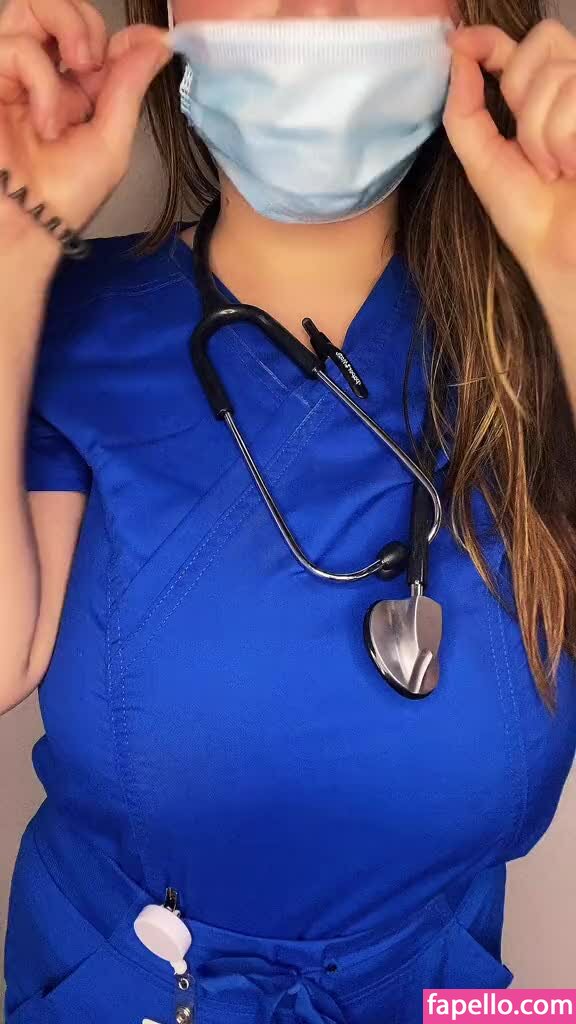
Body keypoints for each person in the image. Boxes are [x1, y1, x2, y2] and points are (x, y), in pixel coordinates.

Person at [1, 0, 576, 1020]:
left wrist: (569, 276)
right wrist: (11, 249)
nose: (316, 7)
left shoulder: (543, 346)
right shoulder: (63, 320)